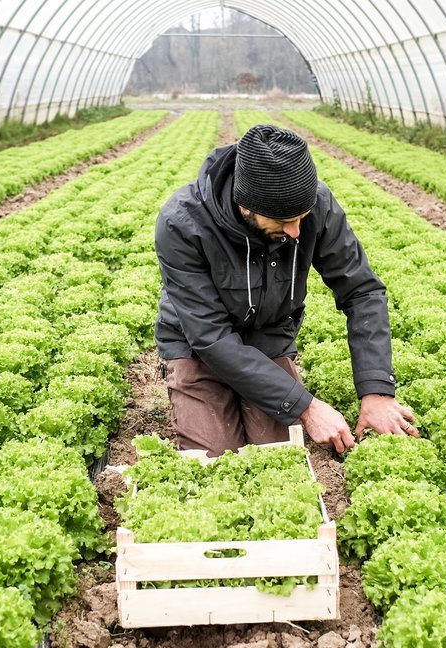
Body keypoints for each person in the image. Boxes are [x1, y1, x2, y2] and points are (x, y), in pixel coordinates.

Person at [153, 123, 416, 456]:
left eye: (302, 218)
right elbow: (211, 338)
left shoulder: (316, 205)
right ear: (245, 206)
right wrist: (307, 407)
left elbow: (361, 291)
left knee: (279, 452)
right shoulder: (182, 222)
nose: (295, 232)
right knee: (215, 456)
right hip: (197, 347)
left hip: (268, 337)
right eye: (281, 223)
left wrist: (377, 391)